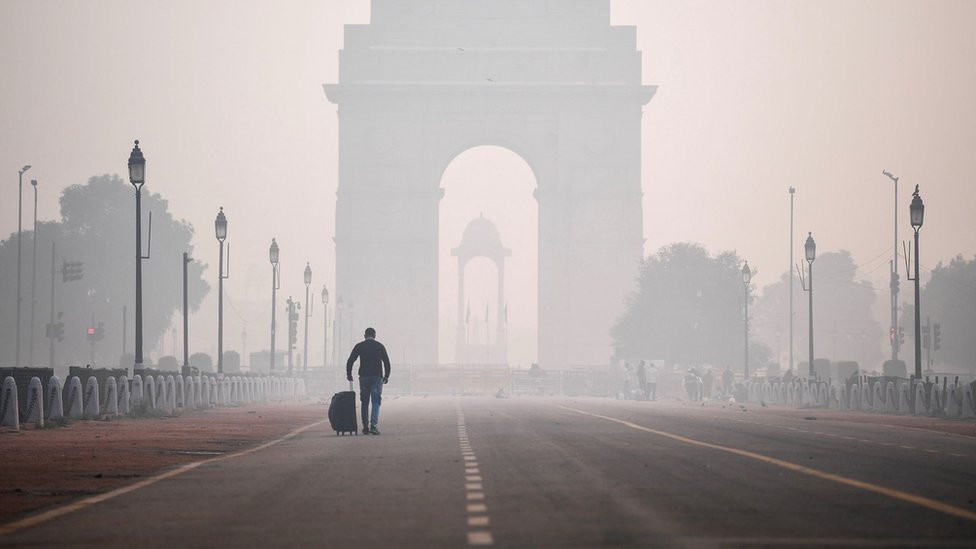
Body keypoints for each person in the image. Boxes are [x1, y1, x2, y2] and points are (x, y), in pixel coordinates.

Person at [346, 327, 391, 435]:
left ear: (364, 335)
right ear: (375, 336)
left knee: (364, 402)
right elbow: (386, 363)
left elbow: (350, 361)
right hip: (377, 377)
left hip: (364, 377)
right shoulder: (380, 346)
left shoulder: (360, 346)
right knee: (375, 401)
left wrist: (349, 374)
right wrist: (386, 376)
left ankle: (365, 426)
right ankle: (373, 425)